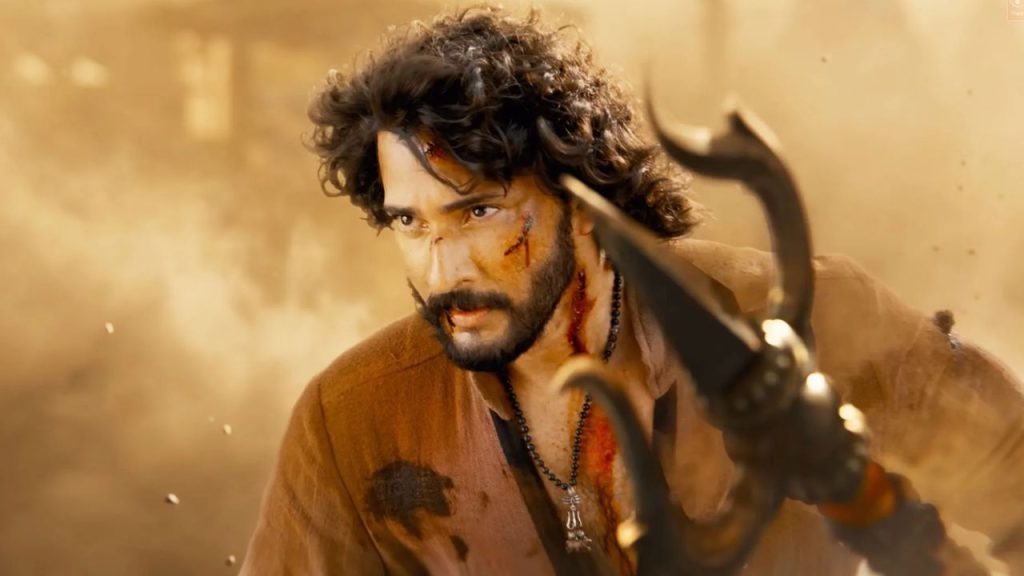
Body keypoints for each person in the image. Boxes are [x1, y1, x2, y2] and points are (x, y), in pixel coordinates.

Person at [239, 8, 1024, 575]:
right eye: (411, 223)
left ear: (580, 201)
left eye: (478, 212)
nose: (443, 271)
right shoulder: (352, 422)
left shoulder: (804, 320)